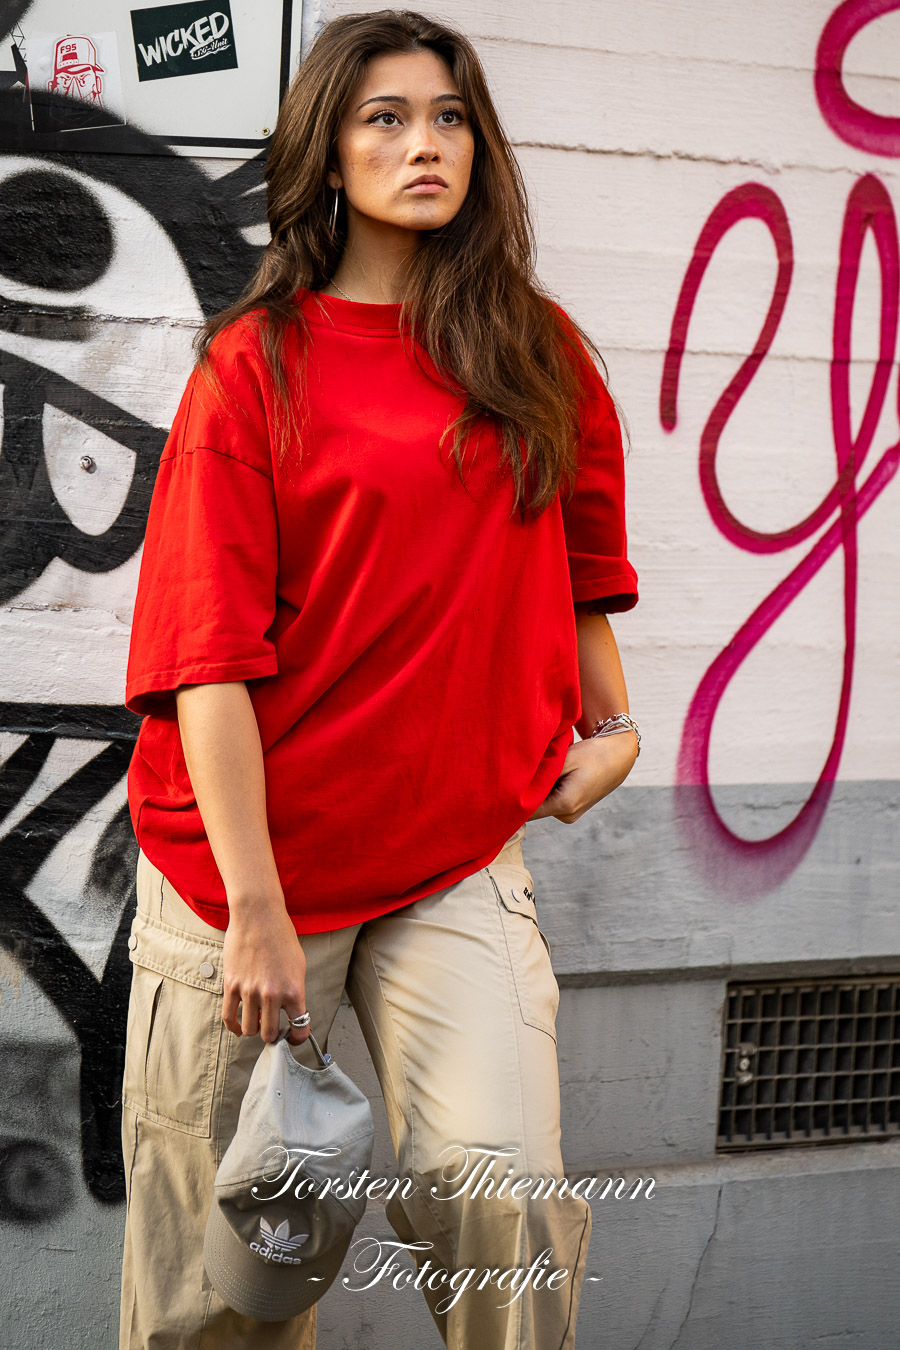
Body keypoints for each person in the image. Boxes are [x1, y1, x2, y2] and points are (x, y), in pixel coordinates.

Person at [118, 10, 639, 1350]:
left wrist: (615, 725)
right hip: (245, 865)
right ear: (325, 151)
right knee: (222, 1277)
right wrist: (254, 907)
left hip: (450, 851)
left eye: (450, 117)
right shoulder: (253, 369)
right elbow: (206, 662)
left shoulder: (537, 354)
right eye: (385, 117)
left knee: (499, 1190)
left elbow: (580, 573)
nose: (425, 144)